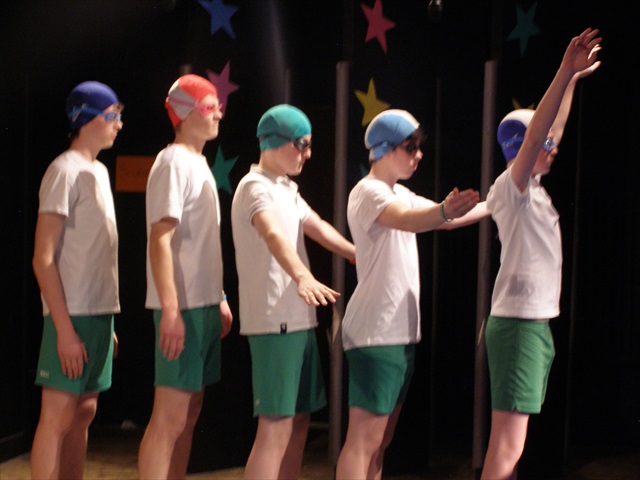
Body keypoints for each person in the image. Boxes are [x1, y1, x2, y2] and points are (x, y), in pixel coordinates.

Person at [335, 109, 488, 479]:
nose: (418, 155)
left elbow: (442, 220)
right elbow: (409, 220)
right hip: (375, 334)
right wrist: (443, 210)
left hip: (397, 334)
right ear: (385, 148)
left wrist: (500, 199)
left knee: (381, 441)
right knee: (364, 441)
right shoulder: (368, 192)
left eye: (419, 147)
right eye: (410, 147)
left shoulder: (399, 192)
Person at [481, 28, 602, 480]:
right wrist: (563, 71)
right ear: (523, 148)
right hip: (518, 325)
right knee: (507, 447)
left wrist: (572, 82)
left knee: (511, 446)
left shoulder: (530, 189)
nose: (554, 145)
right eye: (544, 141)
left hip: (529, 324)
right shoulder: (512, 187)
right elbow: (537, 138)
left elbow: (550, 131)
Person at [231, 104, 356, 479]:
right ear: (274, 142)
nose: (308, 153)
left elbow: (317, 225)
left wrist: (358, 254)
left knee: (299, 422)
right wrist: (302, 276)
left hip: (299, 320)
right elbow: (272, 234)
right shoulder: (254, 187)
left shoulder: (286, 188)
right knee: (275, 427)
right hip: (275, 322)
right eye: (302, 144)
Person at [138, 74, 233, 479]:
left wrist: (220, 296)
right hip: (183, 308)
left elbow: (199, 243)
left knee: (189, 414)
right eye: (210, 107)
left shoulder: (198, 164)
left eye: (218, 107)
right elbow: (160, 238)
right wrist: (171, 310)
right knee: (170, 418)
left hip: (203, 304)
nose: (218, 114)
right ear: (183, 113)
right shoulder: (173, 162)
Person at [31, 81, 123, 479]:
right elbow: (43, 259)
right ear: (85, 118)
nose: (119, 124)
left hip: (98, 312)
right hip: (70, 314)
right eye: (112, 115)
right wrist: (64, 329)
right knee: (57, 415)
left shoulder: (98, 171)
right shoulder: (63, 171)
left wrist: (105, 322)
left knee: (84, 411)